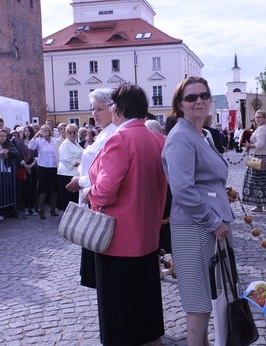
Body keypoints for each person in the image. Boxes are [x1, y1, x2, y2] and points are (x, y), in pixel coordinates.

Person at [87, 84, 167, 345]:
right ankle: (148, 334)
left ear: (118, 109)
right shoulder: (157, 138)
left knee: (119, 298)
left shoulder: (119, 139)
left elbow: (107, 190)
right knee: (145, 291)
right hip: (148, 229)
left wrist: (91, 195)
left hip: (118, 236)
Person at [162, 76, 233, 345]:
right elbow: (183, 190)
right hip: (195, 227)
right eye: (191, 97)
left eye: (203, 95)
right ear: (180, 104)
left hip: (207, 224)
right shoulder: (181, 137)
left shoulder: (201, 134)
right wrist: (214, 221)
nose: (199, 101)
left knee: (207, 296)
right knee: (198, 300)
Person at [66, 87, 117, 290]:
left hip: (99, 203)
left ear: (113, 109)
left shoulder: (114, 134)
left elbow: (106, 176)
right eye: (92, 109)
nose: (94, 114)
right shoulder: (105, 133)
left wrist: (80, 181)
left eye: (99, 109)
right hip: (91, 202)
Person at [242, 110, 266, 212]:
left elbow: (260, 144)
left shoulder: (261, 129)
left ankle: (258, 206)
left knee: (256, 182)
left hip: (259, 158)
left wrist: (250, 145)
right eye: (256, 117)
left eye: (259, 117)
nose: (257, 119)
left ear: (264, 118)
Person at [28, 124, 58, 219]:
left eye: (46, 130)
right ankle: (42, 211)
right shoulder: (38, 141)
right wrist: (36, 135)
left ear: (50, 131)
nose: (44, 132)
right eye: (42, 130)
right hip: (43, 167)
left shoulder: (54, 141)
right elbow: (30, 147)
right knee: (42, 190)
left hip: (54, 166)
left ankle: (53, 210)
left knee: (54, 190)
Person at [57, 123, 82, 210]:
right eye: (70, 132)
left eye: (74, 132)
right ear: (66, 133)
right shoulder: (65, 144)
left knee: (75, 199)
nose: (72, 134)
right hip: (67, 174)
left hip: (75, 173)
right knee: (69, 199)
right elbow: (66, 159)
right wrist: (80, 164)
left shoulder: (76, 144)